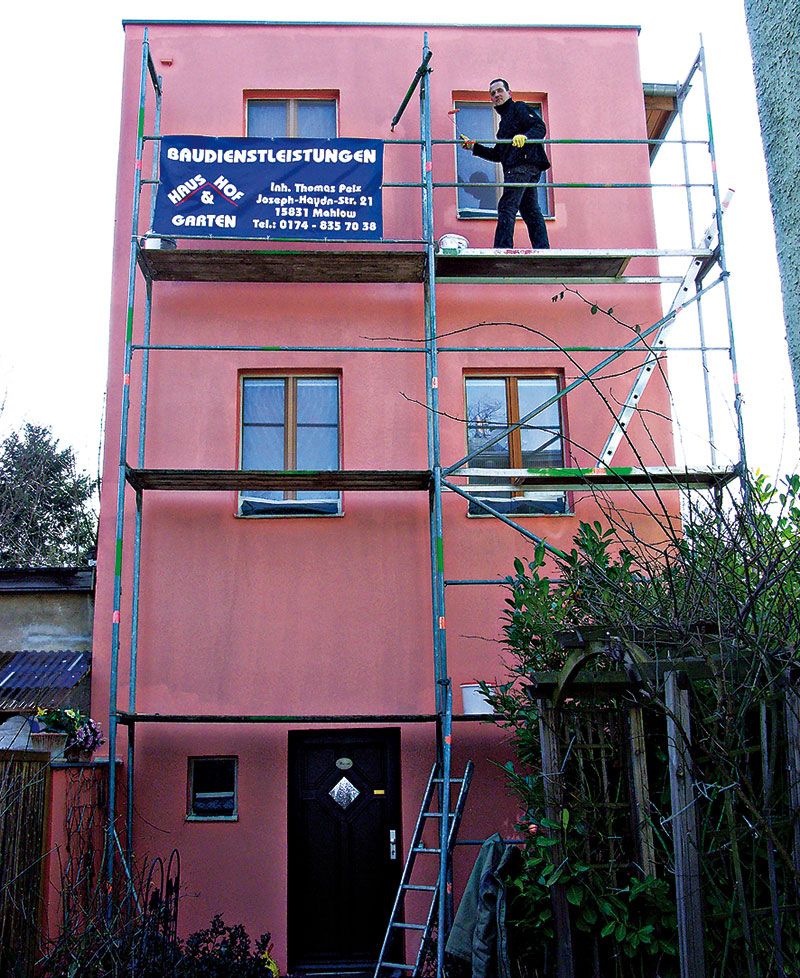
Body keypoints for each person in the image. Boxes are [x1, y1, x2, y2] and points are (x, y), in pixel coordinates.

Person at [461, 78, 551, 249]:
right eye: (492, 93)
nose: (496, 95)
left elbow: (540, 127)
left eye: (499, 91)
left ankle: (502, 248)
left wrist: (525, 137)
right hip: (524, 167)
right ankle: (542, 248)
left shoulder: (519, 108)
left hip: (522, 166)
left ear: (510, 93)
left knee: (507, 205)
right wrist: (474, 147)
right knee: (529, 209)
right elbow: (498, 154)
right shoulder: (504, 125)